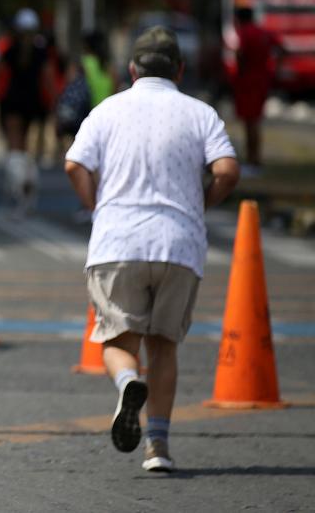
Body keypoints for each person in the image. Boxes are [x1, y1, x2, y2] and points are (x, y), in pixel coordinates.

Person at [64, 26, 239, 473]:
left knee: (117, 341)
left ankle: (127, 381)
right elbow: (226, 169)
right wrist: (201, 204)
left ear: (131, 70)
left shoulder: (108, 109)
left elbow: (74, 163)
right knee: (164, 347)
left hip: (117, 241)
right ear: (179, 70)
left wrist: (94, 203)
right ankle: (157, 447)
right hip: (178, 244)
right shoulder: (200, 113)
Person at [0, 8, 55, 211]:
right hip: (33, 101)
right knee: (27, 146)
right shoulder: (41, 51)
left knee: (14, 145)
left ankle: (17, 186)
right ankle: (28, 181)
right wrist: (53, 101)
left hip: (12, 100)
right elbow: (47, 77)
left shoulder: (10, 49)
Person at [229, 6, 282, 175]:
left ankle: (253, 160)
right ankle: (255, 159)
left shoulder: (244, 32)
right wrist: (273, 68)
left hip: (247, 82)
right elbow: (281, 49)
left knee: (249, 122)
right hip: (262, 81)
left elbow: (240, 53)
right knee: (255, 120)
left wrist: (241, 69)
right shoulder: (263, 32)